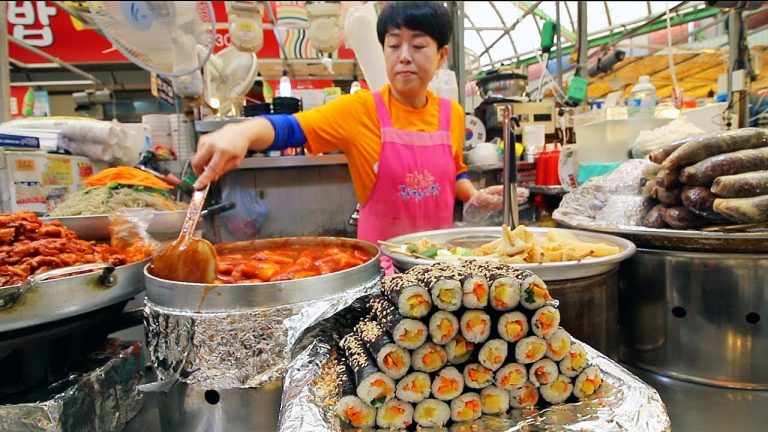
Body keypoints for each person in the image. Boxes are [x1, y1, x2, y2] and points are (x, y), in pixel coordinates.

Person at [192, 1, 502, 247]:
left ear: (441, 55)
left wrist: (472, 195)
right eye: (394, 46)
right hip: (383, 269)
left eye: (418, 46)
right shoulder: (361, 109)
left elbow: (455, 171)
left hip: (437, 263)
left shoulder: (453, 114)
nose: (404, 57)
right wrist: (242, 131)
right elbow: (290, 128)